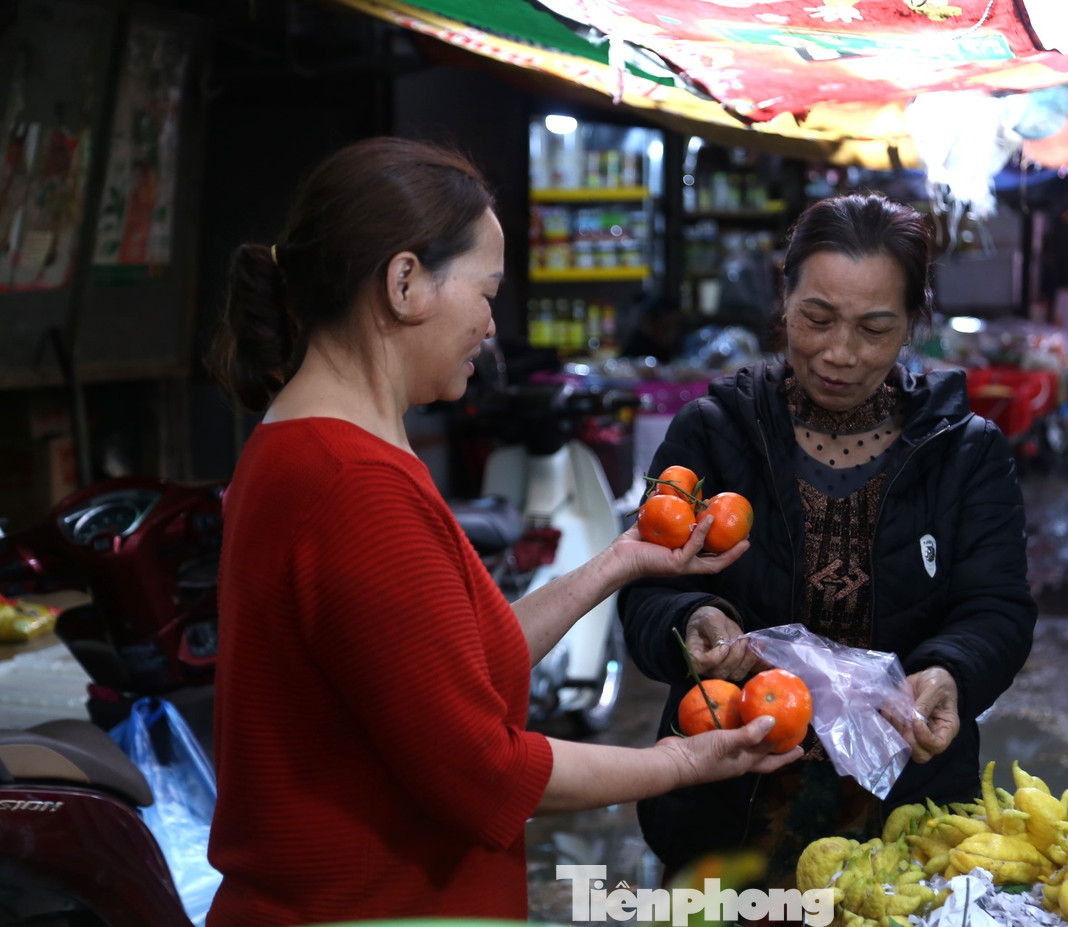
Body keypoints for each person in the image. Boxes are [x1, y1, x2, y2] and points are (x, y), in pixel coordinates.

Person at [203, 137, 801, 927]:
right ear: (405, 282)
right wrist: (684, 760)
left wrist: (618, 561)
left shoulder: (309, 444)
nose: (491, 323)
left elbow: (457, 670)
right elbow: (481, 771)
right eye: (486, 292)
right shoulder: (352, 484)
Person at [618, 193, 1037, 884]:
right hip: (727, 801)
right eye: (817, 318)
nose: (839, 352)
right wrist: (691, 618)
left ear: (911, 324)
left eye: (874, 327)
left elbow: (998, 607)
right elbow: (647, 585)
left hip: (905, 805)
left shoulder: (965, 453)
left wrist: (951, 671)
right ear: (783, 300)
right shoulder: (714, 431)